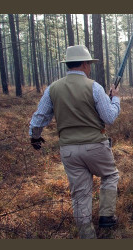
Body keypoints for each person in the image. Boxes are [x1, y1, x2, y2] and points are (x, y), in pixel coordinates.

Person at [29, 45, 121, 239]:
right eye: (89, 64)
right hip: (96, 146)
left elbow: (39, 118)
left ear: (68, 64)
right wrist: (116, 100)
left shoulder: (52, 89)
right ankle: (106, 215)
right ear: (86, 64)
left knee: (80, 194)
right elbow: (110, 117)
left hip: (69, 151)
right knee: (110, 175)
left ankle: (88, 237)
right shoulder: (94, 87)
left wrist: (34, 137)